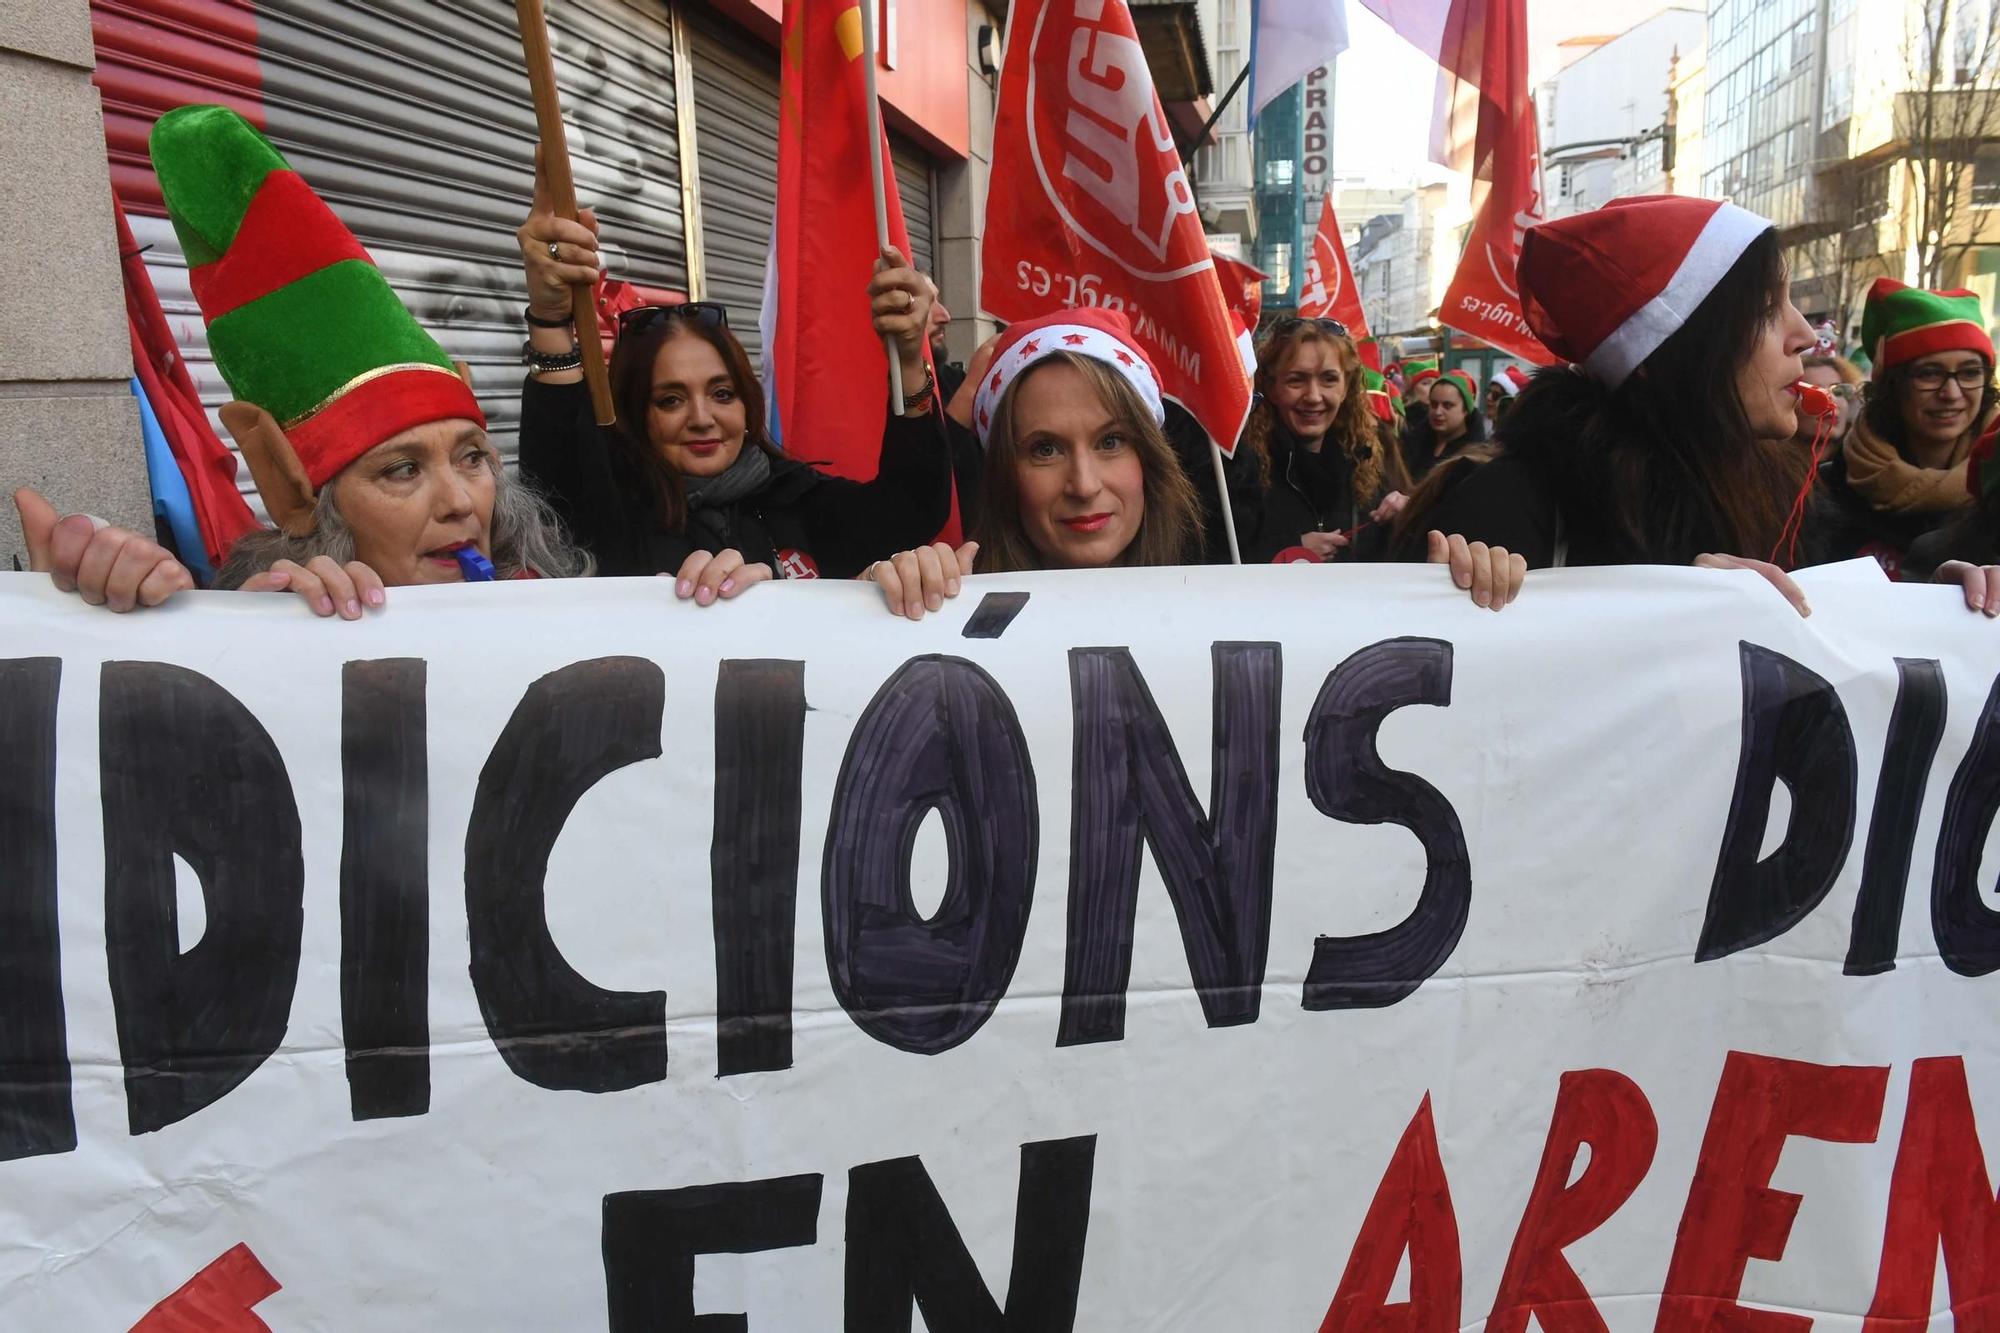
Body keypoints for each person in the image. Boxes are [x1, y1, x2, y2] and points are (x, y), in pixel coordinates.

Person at [12, 104, 689, 617]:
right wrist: (156, 634)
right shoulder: (271, 626)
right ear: (309, 505)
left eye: (474, 457)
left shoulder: (558, 611)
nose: (460, 503)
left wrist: (726, 605)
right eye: (402, 469)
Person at [864, 308, 1525, 618]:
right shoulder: (950, 607)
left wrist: (1454, 598)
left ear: (1151, 460)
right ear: (1006, 469)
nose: (1085, 484)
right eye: (1044, 448)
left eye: (1111, 441)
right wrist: (883, 603)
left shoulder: (1226, 601)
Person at [515, 157, 950, 580]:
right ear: (638, 415)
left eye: (722, 394)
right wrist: (552, 318)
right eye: (670, 400)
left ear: (747, 405)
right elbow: (555, 495)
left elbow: (912, 508)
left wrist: (909, 358)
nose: (702, 419)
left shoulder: (797, 499)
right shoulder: (610, 521)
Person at [1388, 195, 1829, 611]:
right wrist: (1673, 605)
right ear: (1669, 354)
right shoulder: (1509, 508)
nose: (1805, 336)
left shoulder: (1789, 496)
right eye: (1766, 309)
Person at [1814, 281, 1992, 577]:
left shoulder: (1993, 493)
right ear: (1891, 385)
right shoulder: (1826, 491)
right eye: (1929, 373)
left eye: (1970, 372)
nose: (1951, 393)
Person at [1229, 316, 1410, 563]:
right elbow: (1218, 559)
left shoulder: (1366, 457)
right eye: (1296, 380)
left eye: (1328, 379)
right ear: (1271, 387)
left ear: (1345, 387)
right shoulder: (1237, 468)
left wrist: (1408, 516)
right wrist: (1291, 549)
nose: (1313, 396)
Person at [1402, 369, 1487, 484]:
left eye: (1447, 405)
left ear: (1466, 409)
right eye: (1433, 404)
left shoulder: (1475, 457)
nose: (1438, 412)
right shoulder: (1416, 441)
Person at [1795, 352, 1862, 453]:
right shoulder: (1767, 466)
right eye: (1815, 394)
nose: (1831, 401)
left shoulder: (1866, 462)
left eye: (1838, 391)